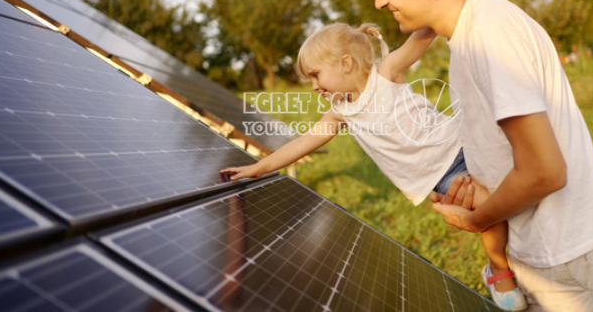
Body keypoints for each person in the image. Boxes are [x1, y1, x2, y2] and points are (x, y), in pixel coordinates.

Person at [366, 0, 593, 311]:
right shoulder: (468, 33)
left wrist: (476, 221)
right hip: (540, 252)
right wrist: (481, 186)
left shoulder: (488, 37)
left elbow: (545, 171)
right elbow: (507, 151)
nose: (379, 1)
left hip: (572, 260)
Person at [220, 19, 527, 311]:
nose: (313, 86)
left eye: (315, 75)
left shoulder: (387, 74)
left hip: (463, 141)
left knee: (517, 184)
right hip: (444, 173)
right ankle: (498, 269)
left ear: (346, 63)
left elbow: (421, 37)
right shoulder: (340, 113)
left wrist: (455, 0)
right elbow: (302, 143)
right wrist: (257, 167)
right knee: (490, 208)